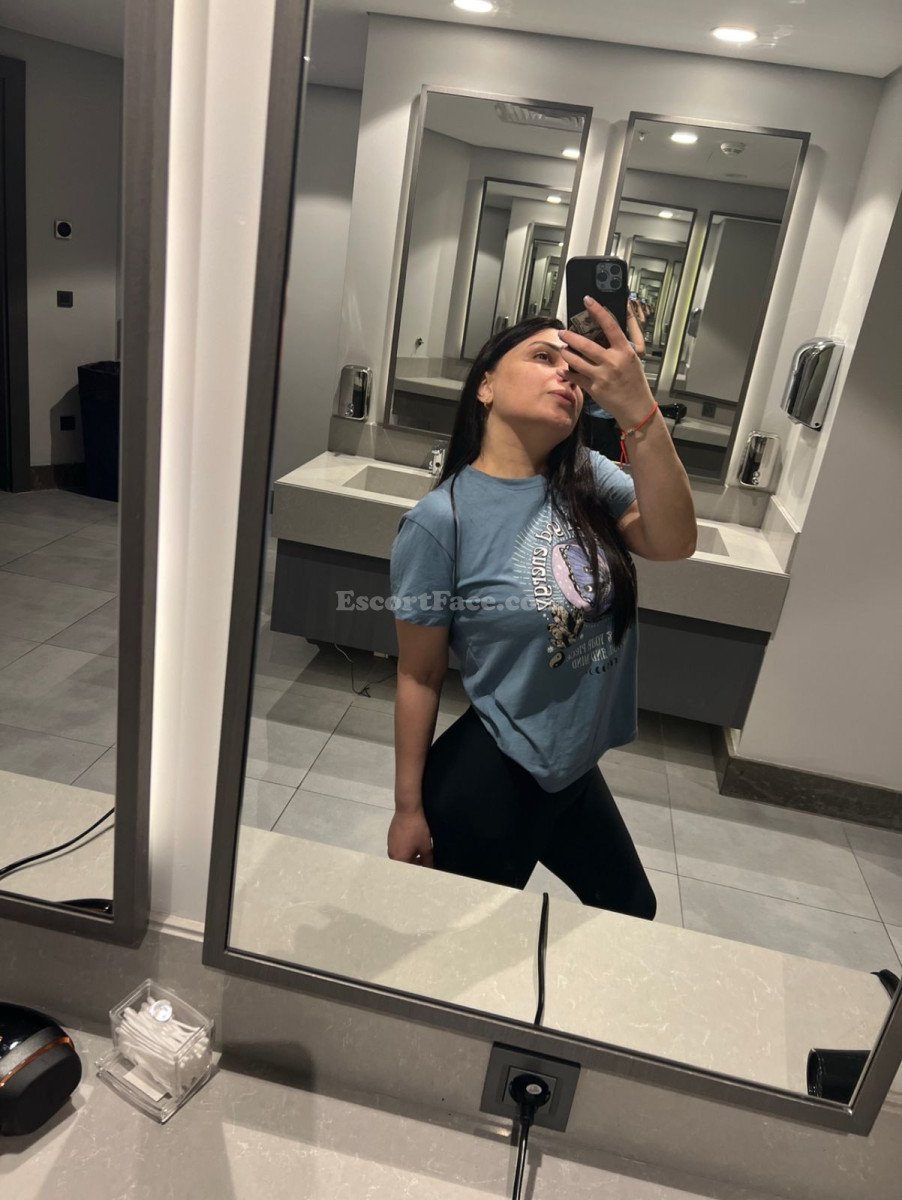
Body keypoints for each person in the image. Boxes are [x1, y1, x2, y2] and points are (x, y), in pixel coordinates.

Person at [387, 296, 696, 919]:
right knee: (458, 945)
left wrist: (640, 412)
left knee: (632, 910)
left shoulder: (587, 477)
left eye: (573, 369)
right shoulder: (439, 522)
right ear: (486, 387)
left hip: (573, 765)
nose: (566, 376)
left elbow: (674, 540)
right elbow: (419, 674)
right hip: (494, 775)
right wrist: (407, 808)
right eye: (543, 357)